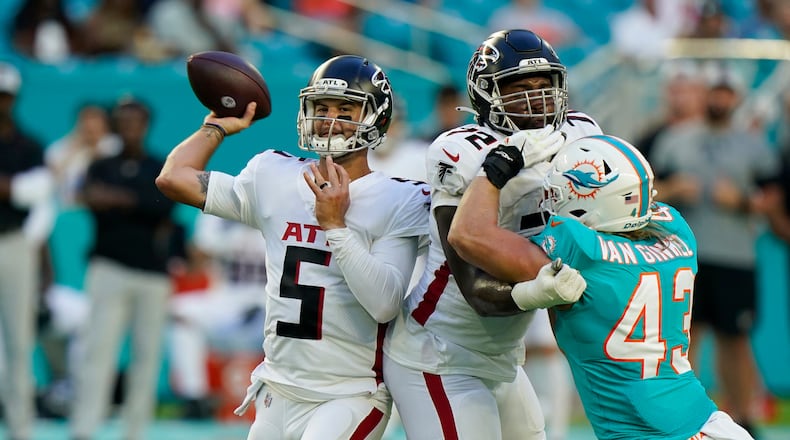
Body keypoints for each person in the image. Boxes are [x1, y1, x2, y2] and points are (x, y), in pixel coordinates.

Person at [155, 54, 430, 440]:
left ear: (376, 118)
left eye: (345, 109)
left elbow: (385, 303)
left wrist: (335, 227)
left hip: (349, 393)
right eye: (322, 108)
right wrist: (214, 127)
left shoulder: (398, 198)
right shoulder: (274, 175)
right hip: (278, 388)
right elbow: (173, 178)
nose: (330, 120)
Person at [450, 134, 755, 440]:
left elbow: (466, 234)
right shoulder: (677, 232)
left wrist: (494, 170)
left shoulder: (580, 252)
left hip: (647, 434)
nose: (551, 200)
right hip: (712, 423)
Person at [382, 29, 601, 440]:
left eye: (544, 86)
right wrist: (540, 291)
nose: (537, 100)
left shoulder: (580, 134)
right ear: (486, 94)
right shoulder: (464, 150)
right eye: (519, 89)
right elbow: (477, 291)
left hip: (503, 355)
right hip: (440, 352)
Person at [650, 64, 778, 436]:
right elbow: (647, 190)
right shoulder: (675, 139)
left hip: (734, 255)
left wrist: (742, 201)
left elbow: (772, 197)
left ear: (736, 97)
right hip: (682, 255)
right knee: (683, 338)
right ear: (703, 94)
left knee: (735, 340)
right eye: (714, 91)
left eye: (726, 92)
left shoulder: (753, 144)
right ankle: (680, 419)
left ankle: (744, 417)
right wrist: (673, 189)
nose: (719, 99)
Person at [69, 97, 176, 440]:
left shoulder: (160, 166)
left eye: (136, 122)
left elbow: (161, 207)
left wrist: (117, 198)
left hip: (152, 275)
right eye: (124, 122)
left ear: (146, 126)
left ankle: (134, 431)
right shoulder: (101, 165)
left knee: (147, 355)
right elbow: (90, 199)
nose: (129, 128)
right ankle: (84, 428)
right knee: (97, 350)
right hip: (109, 268)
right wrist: (134, 201)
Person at [167, 211, 268, 419]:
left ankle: (301, 396)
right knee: (180, 311)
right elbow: (198, 257)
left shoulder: (289, 206)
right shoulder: (221, 209)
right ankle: (194, 398)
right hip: (228, 304)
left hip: (272, 307)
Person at [0, 61, 54, 440]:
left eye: (5, 96)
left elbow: (36, 192)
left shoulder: (28, 144)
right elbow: (22, 189)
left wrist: (11, 188)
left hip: (14, 242)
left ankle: (21, 428)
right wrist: (13, 187)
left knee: (19, 339)